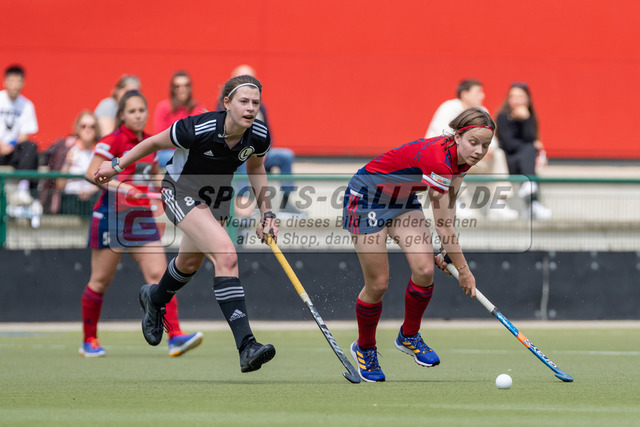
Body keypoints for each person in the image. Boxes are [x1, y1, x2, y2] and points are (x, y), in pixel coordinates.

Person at [93, 75, 278, 373]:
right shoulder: (198, 127)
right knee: (226, 256)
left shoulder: (258, 134)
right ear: (227, 103)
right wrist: (116, 166)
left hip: (216, 200)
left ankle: (154, 298)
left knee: (189, 263)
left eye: (255, 102)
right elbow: (153, 141)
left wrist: (266, 213)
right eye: (244, 101)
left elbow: (257, 168)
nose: (251, 108)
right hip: (179, 192)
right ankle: (247, 346)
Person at [343, 107, 495, 382]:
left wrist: (449, 251)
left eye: (485, 145)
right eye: (474, 142)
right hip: (366, 198)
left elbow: (449, 209)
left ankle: (409, 336)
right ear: (458, 136)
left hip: (401, 201)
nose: (479, 150)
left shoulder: (463, 160)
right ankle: (364, 348)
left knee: (425, 270)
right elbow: (442, 224)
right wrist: (464, 270)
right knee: (378, 283)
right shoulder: (439, 158)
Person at [80, 90, 202, 358]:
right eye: (132, 111)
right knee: (100, 281)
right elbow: (91, 173)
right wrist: (123, 188)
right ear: (122, 114)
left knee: (162, 278)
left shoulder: (150, 142)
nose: (138, 115)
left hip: (141, 218)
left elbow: (156, 179)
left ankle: (175, 336)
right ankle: (89, 340)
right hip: (111, 217)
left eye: (141, 111)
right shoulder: (112, 140)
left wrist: (173, 193)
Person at [426, 79, 517, 220]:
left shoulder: (482, 111)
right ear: (465, 94)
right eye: (478, 92)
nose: (483, 96)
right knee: (449, 153)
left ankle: (498, 203)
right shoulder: (448, 108)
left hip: (471, 160)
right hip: (442, 163)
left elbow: (491, 137)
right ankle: (456, 202)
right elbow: (442, 137)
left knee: (498, 155)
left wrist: (489, 148)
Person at [225, 65, 303, 218]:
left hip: (259, 153)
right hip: (237, 155)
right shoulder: (225, 105)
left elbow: (267, 133)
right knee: (243, 159)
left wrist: (264, 151)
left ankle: (286, 200)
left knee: (285, 155)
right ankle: (244, 203)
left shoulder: (260, 106)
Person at [495, 82, 551, 220]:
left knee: (529, 155)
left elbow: (530, 136)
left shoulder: (529, 117)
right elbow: (509, 144)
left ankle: (532, 205)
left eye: (520, 96)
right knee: (529, 149)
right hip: (507, 161)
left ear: (527, 99)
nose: (516, 100)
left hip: (523, 161)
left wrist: (526, 120)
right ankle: (532, 201)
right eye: (513, 96)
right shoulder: (503, 116)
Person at [0, 65, 40, 213]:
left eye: (18, 81)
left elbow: (25, 134)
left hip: (12, 151)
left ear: (22, 83)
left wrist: (10, 144)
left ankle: (23, 191)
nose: (14, 85)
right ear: (5, 82)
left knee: (30, 148)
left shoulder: (27, 105)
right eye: (11, 80)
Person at [153, 71, 206, 167]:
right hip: (167, 152)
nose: (182, 89)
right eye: (177, 86)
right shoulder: (163, 107)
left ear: (190, 88)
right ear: (172, 89)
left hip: (192, 152)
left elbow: (201, 137)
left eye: (186, 86)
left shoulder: (198, 108)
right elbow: (161, 137)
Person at [55, 111, 101, 215]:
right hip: (71, 199)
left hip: (93, 198)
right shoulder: (68, 149)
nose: (87, 129)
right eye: (83, 126)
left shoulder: (101, 152)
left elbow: (105, 182)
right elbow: (59, 185)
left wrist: (90, 191)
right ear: (77, 129)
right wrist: (68, 164)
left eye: (92, 126)